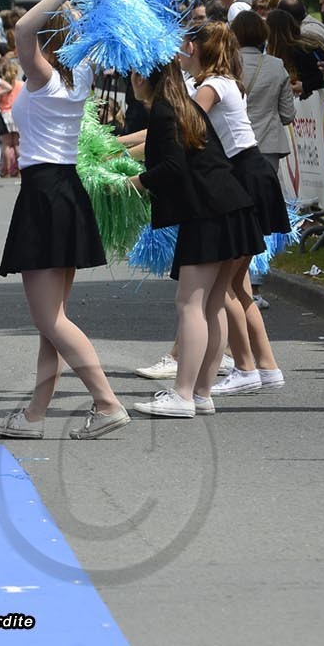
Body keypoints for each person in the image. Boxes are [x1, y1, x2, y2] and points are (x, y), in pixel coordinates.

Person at [0, 0, 128, 440]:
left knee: (50, 319)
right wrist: (87, 1)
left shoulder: (44, 78)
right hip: (65, 188)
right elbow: (44, 29)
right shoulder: (80, 73)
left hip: (45, 191)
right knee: (52, 321)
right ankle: (34, 415)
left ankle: (107, 402)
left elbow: (23, 28)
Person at [128, 59, 260, 419]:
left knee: (189, 304)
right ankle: (201, 393)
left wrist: (131, 184)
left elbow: (172, 167)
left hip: (210, 213)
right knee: (212, 304)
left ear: (140, 76)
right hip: (228, 208)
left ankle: (184, 394)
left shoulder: (165, 110)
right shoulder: (183, 104)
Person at [197, 20, 290, 398]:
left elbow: (183, 129)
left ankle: (245, 367)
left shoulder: (212, 86)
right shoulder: (227, 82)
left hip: (245, 178)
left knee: (222, 286)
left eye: (187, 47)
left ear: (198, 50)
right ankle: (266, 365)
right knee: (237, 283)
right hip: (255, 173)